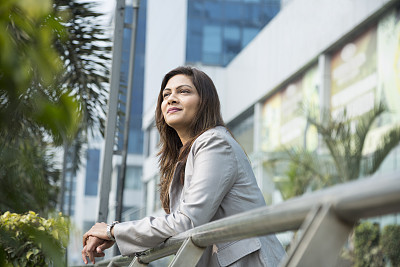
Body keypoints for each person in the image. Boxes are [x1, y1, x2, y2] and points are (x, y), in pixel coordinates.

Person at [82, 66, 285, 266]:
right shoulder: (185, 155)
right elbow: (180, 221)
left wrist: (113, 231)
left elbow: (186, 222)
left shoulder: (214, 142)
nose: (171, 98)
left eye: (184, 91)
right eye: (166, 94)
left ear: (205, 102)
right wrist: (114, 233)